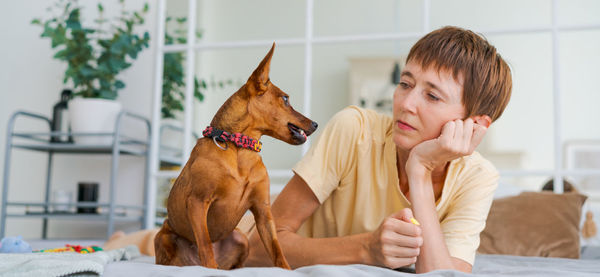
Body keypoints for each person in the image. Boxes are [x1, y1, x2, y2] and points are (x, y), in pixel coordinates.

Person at [244, 26, 512, 273]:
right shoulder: (354, 131)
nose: (406, 103)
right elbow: (257, 248)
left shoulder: (478, 176)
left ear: (474, 124)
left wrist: (419, 169)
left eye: (432, 96)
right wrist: (366, 248)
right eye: (405, 84)